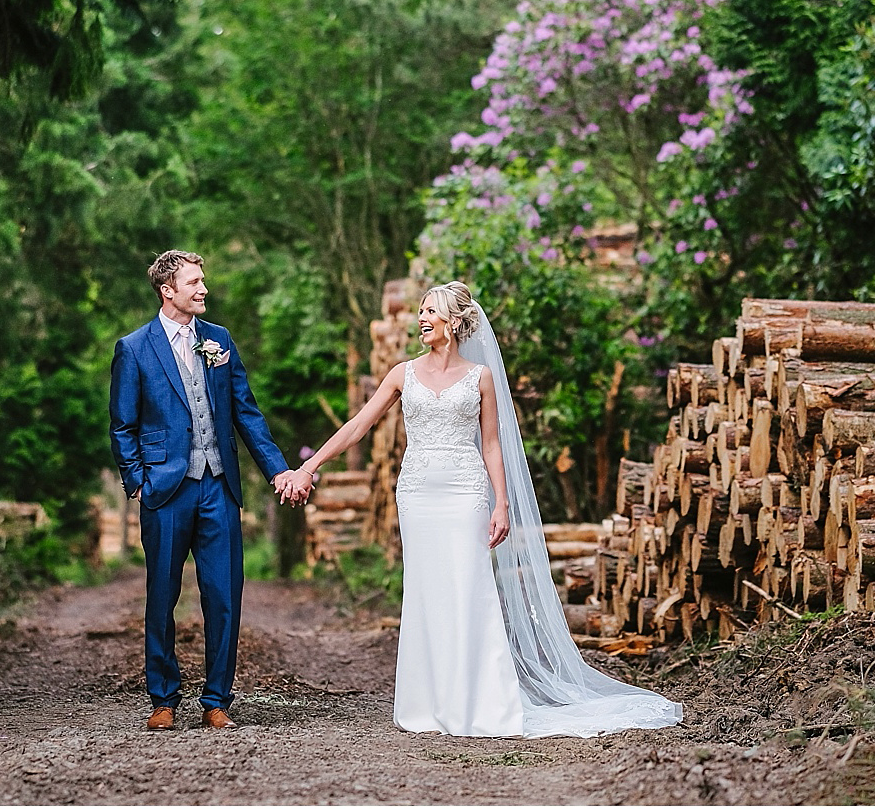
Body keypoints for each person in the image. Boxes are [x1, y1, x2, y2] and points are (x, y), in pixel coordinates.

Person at [283, 281, 682, 737]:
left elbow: (492, 445)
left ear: (453, 322)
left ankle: (480, 701)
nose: (421, 319)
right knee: (425, 590)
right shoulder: (401, 374)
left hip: (465, 493)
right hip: (417, 495)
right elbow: (356, 427)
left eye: (429, 311)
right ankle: (428, 703)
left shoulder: (481, 377)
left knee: (469, 588)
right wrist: (309, 466)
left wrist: (501, 503)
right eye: (419, 311)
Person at [108, 250, 305, 731]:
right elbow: (122, 425)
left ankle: (216, 700)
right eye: (194, 283)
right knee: (162, 595)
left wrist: (277, 470)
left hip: (219, 486)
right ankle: (163, 700)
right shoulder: (134, 348)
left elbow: (246, 413)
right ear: (167, 290)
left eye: (203, 282)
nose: (203, 290)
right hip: (166, 489)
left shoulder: (219, 340)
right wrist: (138, 481)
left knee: (223, 596)